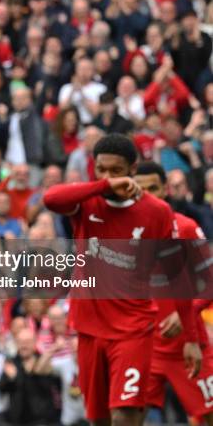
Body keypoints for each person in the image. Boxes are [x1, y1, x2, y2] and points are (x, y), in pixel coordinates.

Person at [43, 133, 201, 425]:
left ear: (132, 169)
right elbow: (50, 198)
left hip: (133, 331)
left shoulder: (156, 212)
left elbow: (177, 277)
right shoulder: (86, 202)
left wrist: (191, 339)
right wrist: (103, 184)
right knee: (99, 420)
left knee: (125, 416)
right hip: (89, 331)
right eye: (101, 169)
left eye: (116, 171)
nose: (108, 177)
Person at [134, 161, 213, 424]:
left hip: (188, 346)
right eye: (141, 190)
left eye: (153, 189)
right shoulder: (121, 235)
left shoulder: (187, 228)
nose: (148, 197)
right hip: (142, 347)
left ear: (165, 189)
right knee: (126, 417)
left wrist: (185, 313)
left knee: (208, 416)